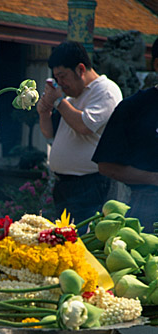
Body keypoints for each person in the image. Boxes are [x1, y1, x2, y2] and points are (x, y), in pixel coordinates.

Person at [37, 41, 123, 225]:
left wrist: (58, 101)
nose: (61, 84)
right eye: (57, 79)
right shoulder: (71, 98)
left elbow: (85, 126)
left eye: (63, 76)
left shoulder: (106, 90)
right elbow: (48, 133)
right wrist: (44, 112)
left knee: (86, 244)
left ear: (80, 69)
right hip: (66, 185)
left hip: (91, 185)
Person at [92, 38, 158, 232]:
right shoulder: (133, 108)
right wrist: (154, 178)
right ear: (157, 64)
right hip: (146, 210)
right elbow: (106, 165)